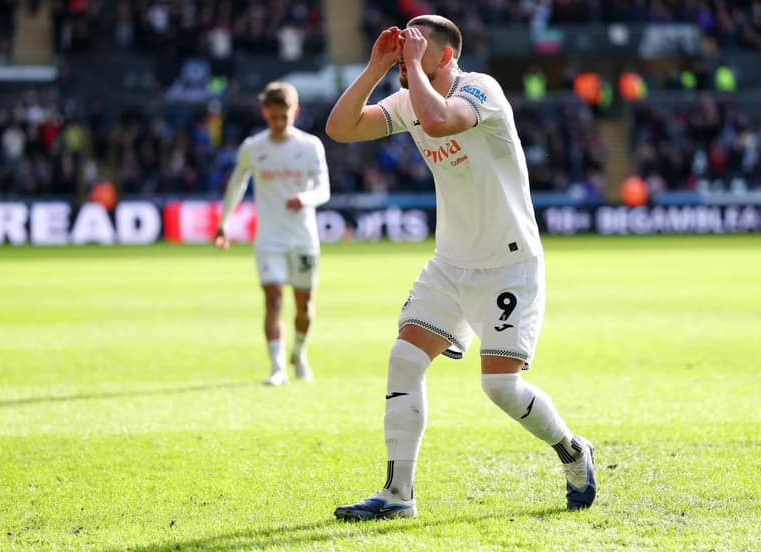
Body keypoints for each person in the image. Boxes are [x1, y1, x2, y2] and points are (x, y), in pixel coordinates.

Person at [325, 15, 596, 519]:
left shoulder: (481, 90)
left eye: (419, 49)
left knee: (500, 388)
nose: (409, 59)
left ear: (446, 56)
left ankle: (573, 451)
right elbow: (340, 129)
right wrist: (376, 66)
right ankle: (397, 495)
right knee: (404, 360)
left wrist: (409, 66)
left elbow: (440, 121)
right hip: (450, 262)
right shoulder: (409, 96)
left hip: (508, 264)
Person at [215, 81, 330, 386]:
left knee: (304, 305)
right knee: (274, 298)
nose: (279, 123)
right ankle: (277, 367)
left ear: (296, 111)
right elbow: (237, 184)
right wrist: (224, 222)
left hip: (303, 238)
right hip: (269, 239)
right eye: (274, 116)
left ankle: (298, 353)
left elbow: (324, 189)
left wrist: (305, 199)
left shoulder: (310, 146)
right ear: (265, 112)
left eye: (285, 117)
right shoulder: (253, 147)